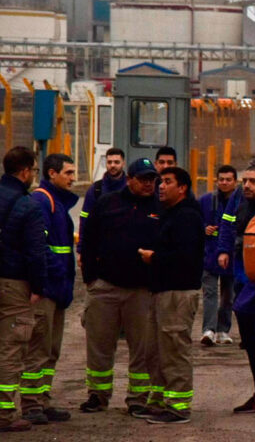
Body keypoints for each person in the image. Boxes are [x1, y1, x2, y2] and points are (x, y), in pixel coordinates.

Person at [80, 157, 160, 416]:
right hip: (106, 288)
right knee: (99, 346)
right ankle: (98, 396)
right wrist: (91, 279)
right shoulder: (107, 203)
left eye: (152, 179)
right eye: (143, 179)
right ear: (130, 180)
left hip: (142, 290)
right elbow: (88, 240)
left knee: (142, 348)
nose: (149, 184)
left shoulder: (161, 207)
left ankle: (138, 398)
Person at [139, 167, 204, 425]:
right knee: (155, 351)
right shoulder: (168, 214)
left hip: (178, 293)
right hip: (161, 291)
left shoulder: (187, 216)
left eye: (167, 182)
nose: (161, 187)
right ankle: (158, 400)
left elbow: (186, 258)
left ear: (183, 188)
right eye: (160, 182)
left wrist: (154, 257)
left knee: (174, 349)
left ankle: (178, 406)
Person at [20, 154, 78, 425]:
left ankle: (42, 400)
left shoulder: (57, 202)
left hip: (58, 288)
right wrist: (53, 275)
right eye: (68, 172)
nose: (72, 178)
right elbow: (40, 247)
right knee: (38, 349)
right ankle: (31, 402)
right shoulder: (43, 201)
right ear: (52, 173)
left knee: (51, 350)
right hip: (47, 289)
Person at [217, 163, 255, 414]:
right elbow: (227, 224)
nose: (247, 185)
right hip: (243, 281)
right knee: (251, 341)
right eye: (245, 180)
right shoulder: (238, 199)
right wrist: (222, 250)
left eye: (253, 181)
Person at [0, 147, 46, 433]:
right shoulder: (28, 205)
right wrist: (38, 287)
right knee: (10, 350)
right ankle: (4, 414)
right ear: (26, 171)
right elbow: (35, 252)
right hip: (14, 285)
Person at [199, 165, 238, 346]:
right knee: (210, 293)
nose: (224, 183)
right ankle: (209, 330)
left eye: (228, 180)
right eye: (221, 179)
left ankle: (223, 330)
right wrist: (203, 229)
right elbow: (194, 221)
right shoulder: (206, 201)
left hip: (232, 256)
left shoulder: (241, 202)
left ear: (235, 182)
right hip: (209, 254)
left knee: (228, 295)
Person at [78, 148, 126, 258]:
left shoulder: (131, 187)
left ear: (123, 163)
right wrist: (81, 249)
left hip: (125, 252)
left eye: (116, 162)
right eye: (109, 162)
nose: (112, 165)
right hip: (100, 251)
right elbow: (84, 219)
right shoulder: (96, 189)